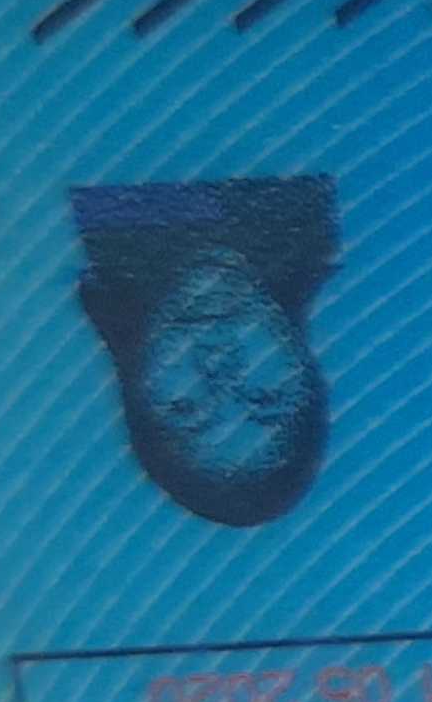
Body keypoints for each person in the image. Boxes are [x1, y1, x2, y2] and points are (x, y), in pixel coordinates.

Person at [69, 177, 339, 527]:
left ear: (136, 386)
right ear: (302, 367)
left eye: (186, 406)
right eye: (263, 396)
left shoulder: (87, 222)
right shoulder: (304, 202)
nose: (218, 363)